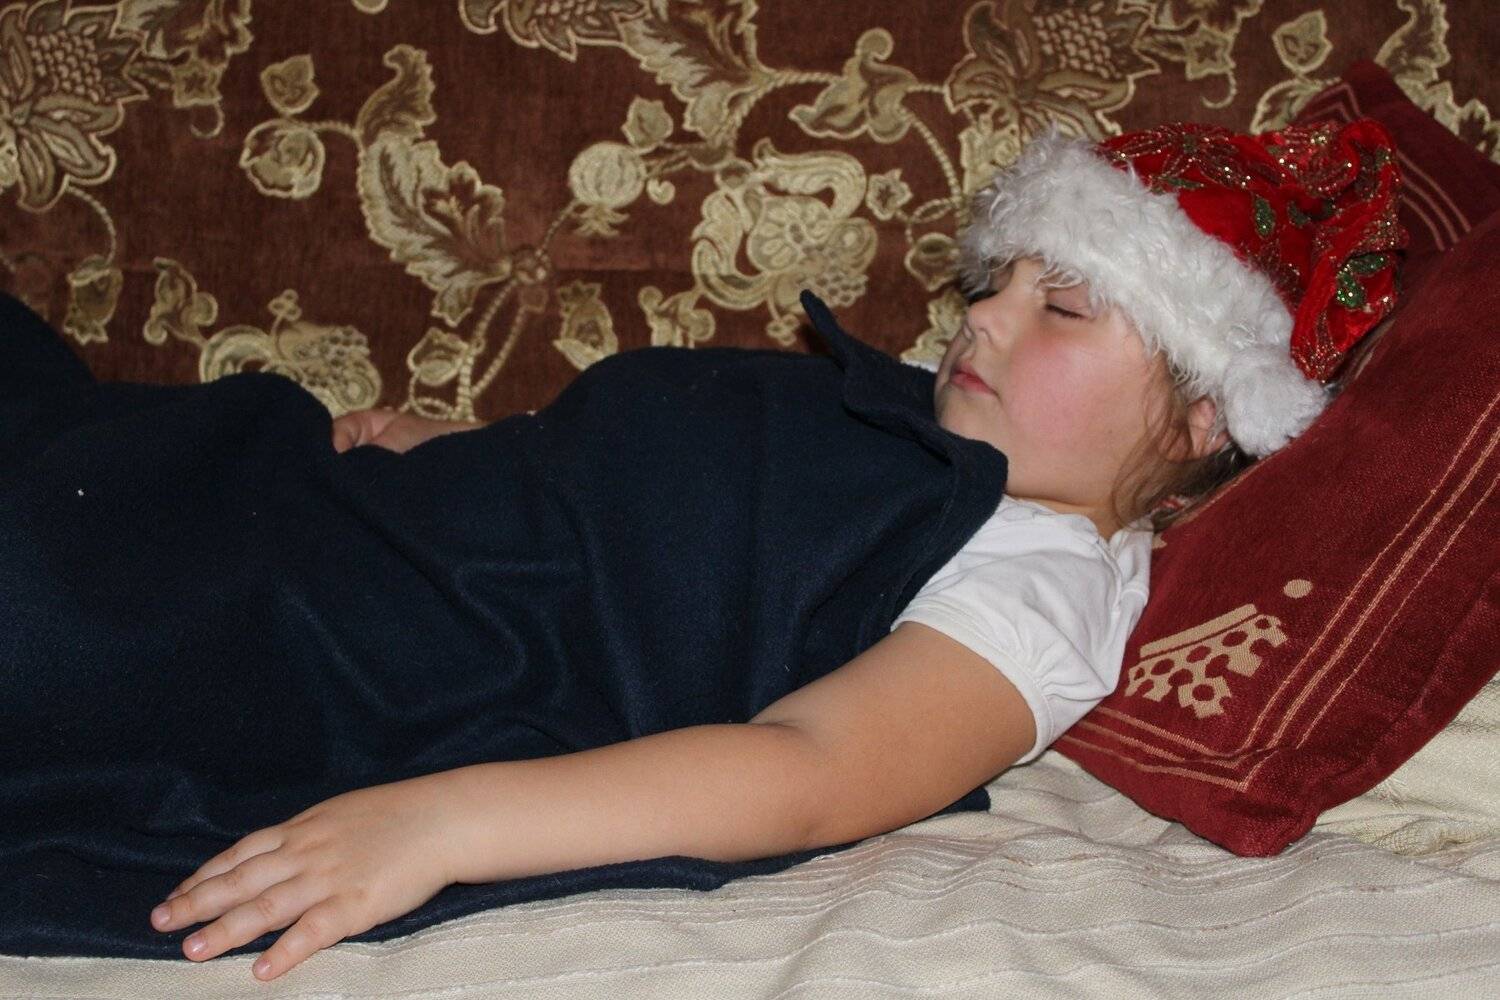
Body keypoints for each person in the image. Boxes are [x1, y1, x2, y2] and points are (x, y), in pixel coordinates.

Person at [12, 119, 1404, 982]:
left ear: (1208, 412)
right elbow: (644, 490)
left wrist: (440, 822)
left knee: (72, 607)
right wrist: (462, 448)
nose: (982, 317)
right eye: (998, 282)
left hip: (402, 648)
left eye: (1066, 308)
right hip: (388, 526)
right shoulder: (911, 422)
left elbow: (806, 772)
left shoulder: (1046, 586)